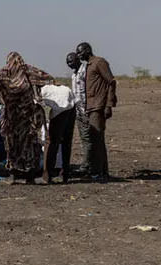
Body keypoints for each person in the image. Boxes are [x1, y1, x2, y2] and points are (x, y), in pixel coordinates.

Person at [0, 52, 54, 183]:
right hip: (27, 115)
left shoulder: (4, 73)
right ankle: (29, 176)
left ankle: (13, 175)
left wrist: (6, 96)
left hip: (12, 115)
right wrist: (36, 90)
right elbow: (48, 78)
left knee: (13, 144)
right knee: (29, 144)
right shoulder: (28, 71)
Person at [77, 42, 117, 182]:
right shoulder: (87, 66)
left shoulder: (99, 62)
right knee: (95, 140)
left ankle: (99, 173)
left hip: (98, 106)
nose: (78, 55)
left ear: (87, 51)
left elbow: (111, 82)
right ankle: (99, 172)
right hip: (90, 107)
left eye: (80, 52)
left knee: (97, 140)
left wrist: (109, 105)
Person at [40, 80, 76, 184]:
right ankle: (64, 174)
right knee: (66, 142)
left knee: (51, 142)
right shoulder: (64, 88)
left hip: (60, 111)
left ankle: (47, 175)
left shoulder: (42, 91)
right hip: (71, 107)